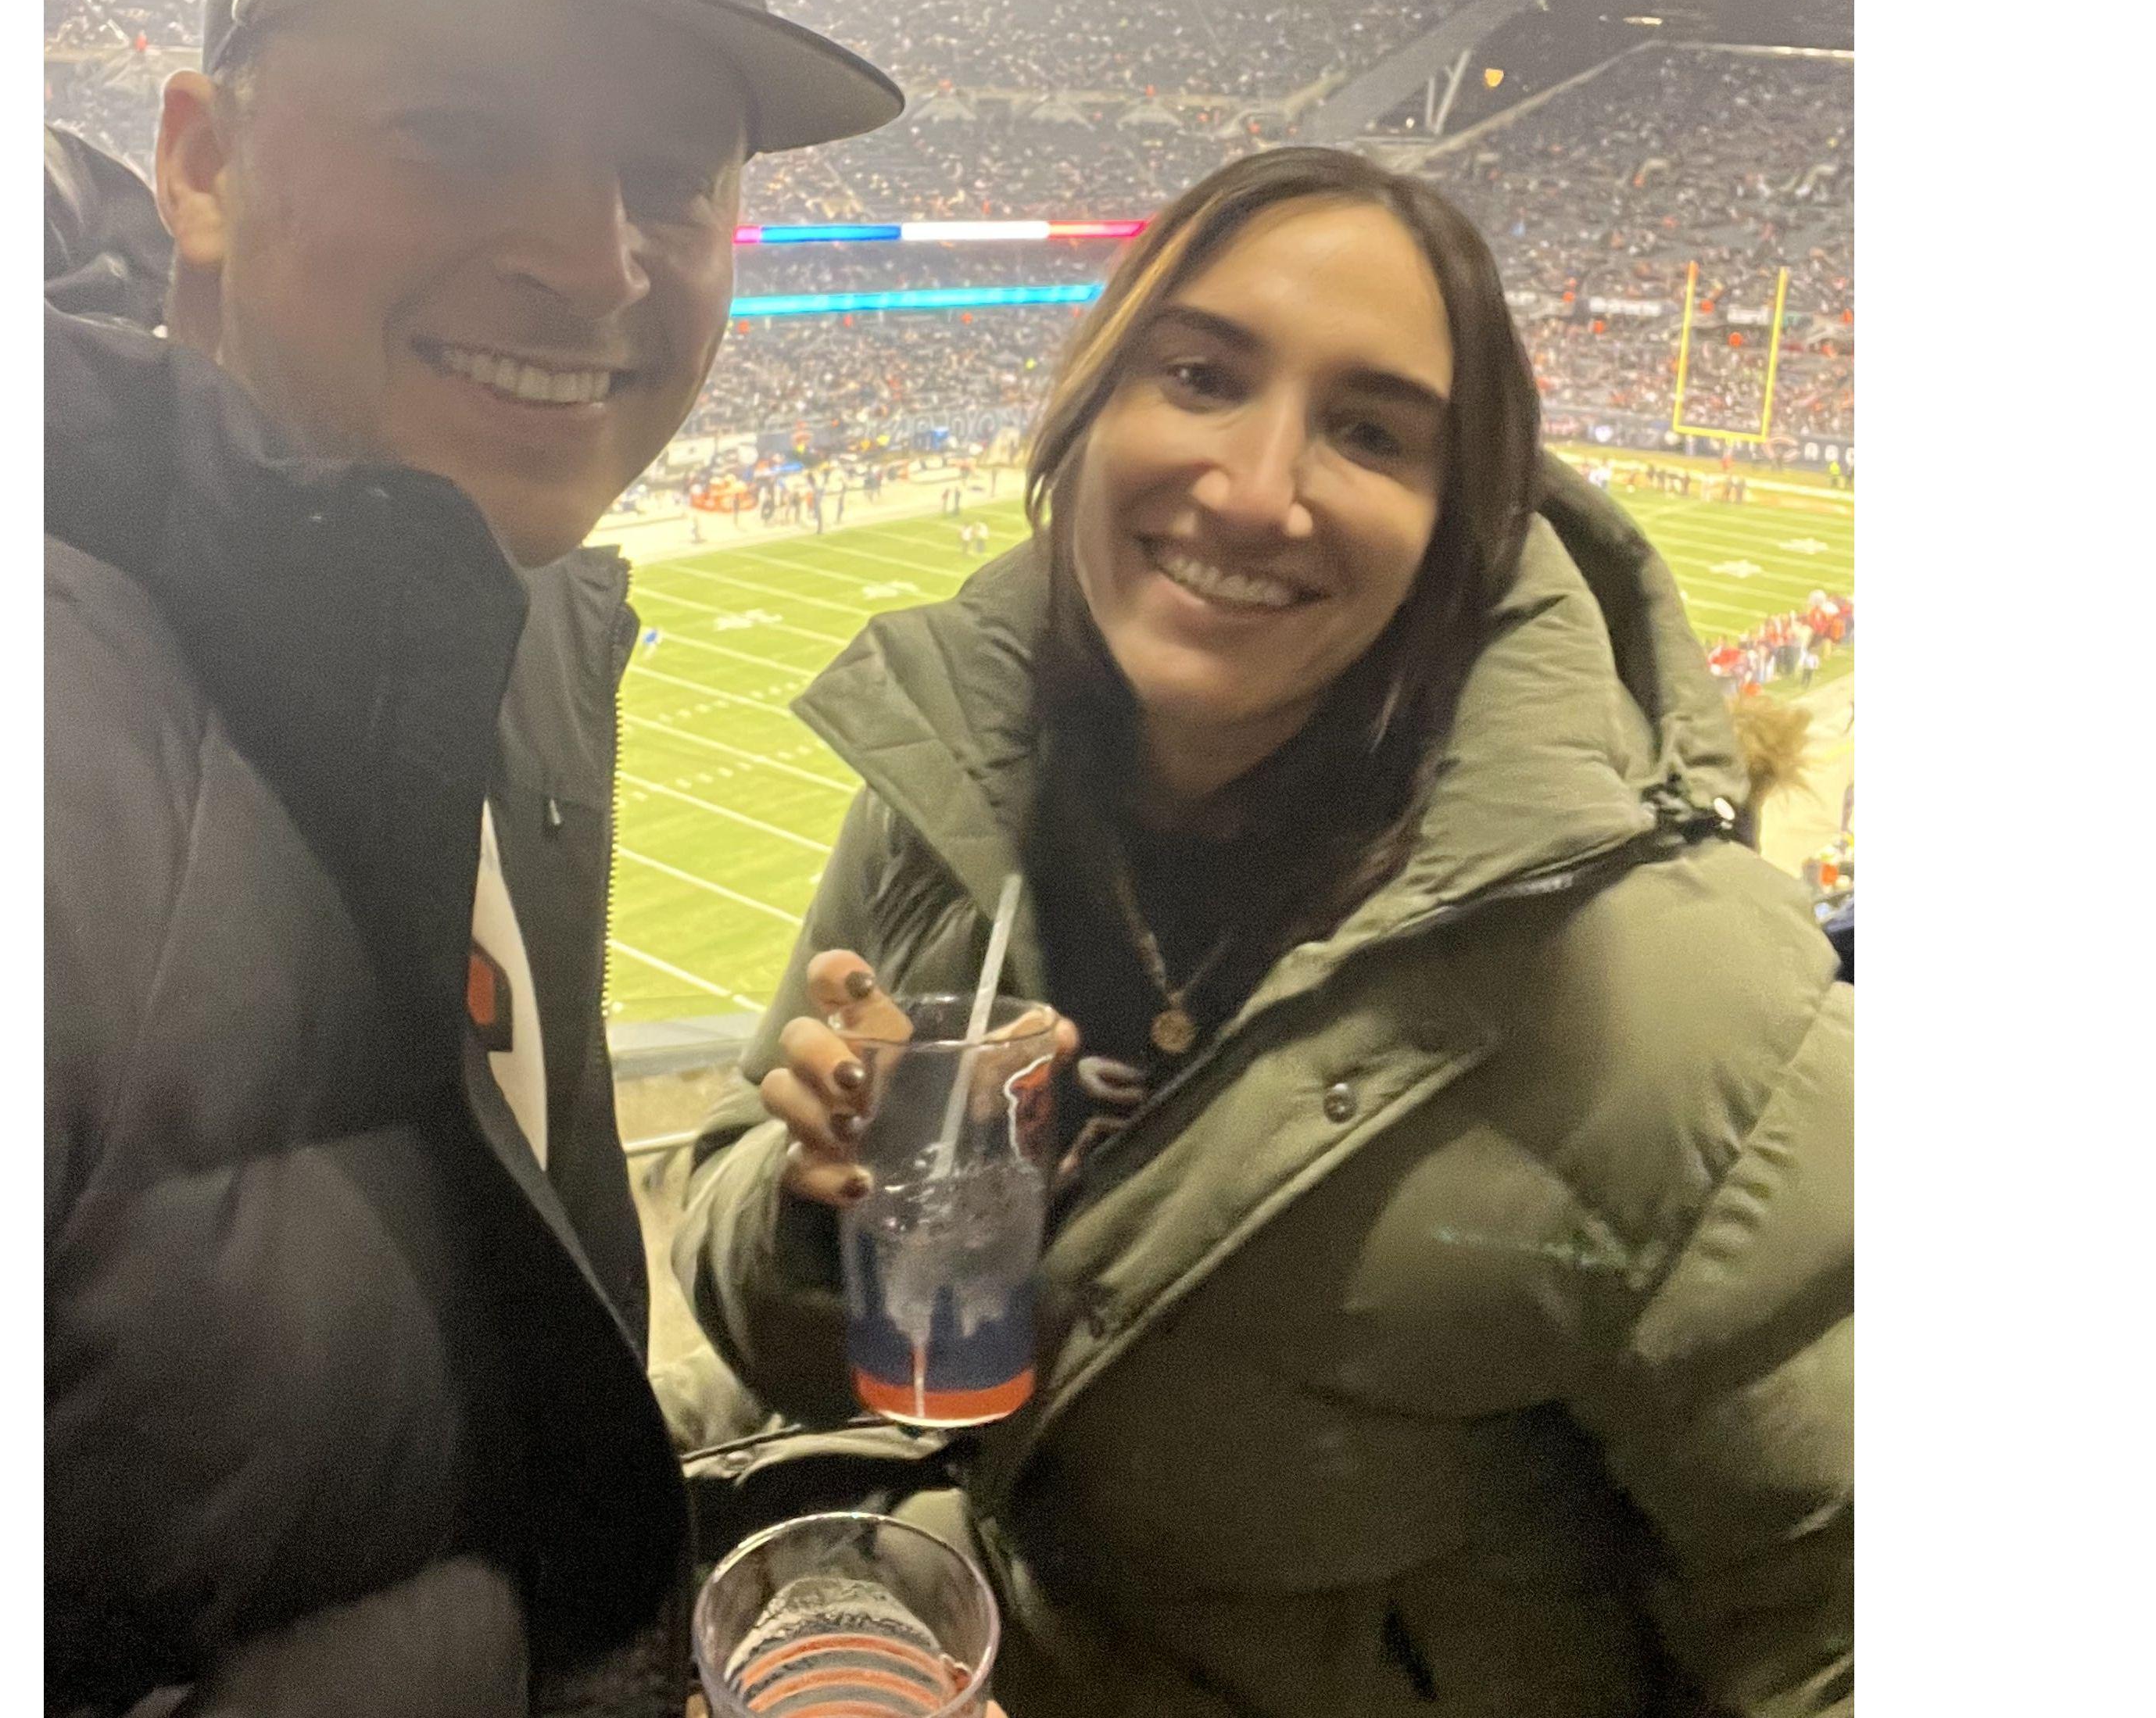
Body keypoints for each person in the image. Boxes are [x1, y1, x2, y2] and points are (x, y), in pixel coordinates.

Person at [676, 148, 1852, 1718]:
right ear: (1086, 405)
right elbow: (755, 1285)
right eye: (1199, 376)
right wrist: (818, 1208)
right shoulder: (956, 791)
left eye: (1370, 431)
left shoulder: (1691, 997)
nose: (1250, 486)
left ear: (1460, 522)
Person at [45, 0, 903, 1716]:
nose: (593, 259)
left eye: (670, 179)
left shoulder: (485, 614)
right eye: (453, 130)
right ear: (200, 162)